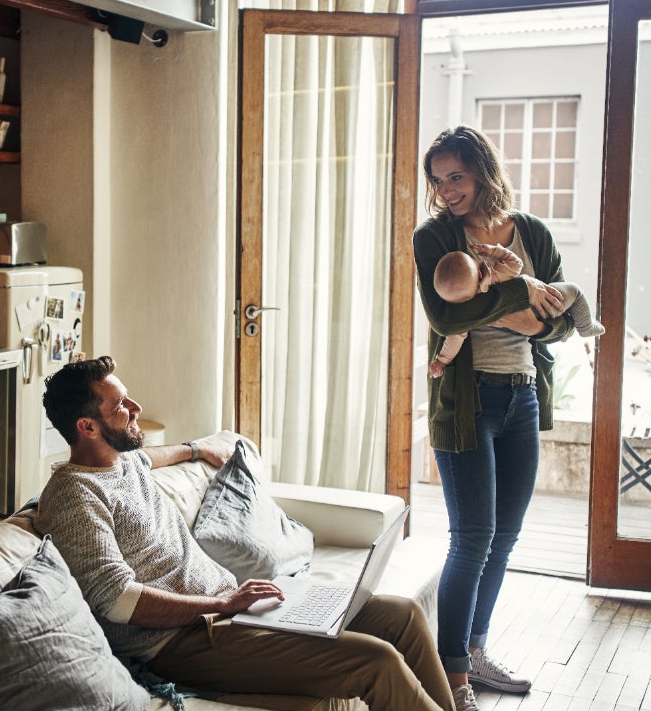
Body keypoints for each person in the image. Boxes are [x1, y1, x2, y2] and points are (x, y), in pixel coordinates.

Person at [35, 356, 455, 711]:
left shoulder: (122, 461)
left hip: (233, 609)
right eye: (120, 406)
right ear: (87, 428)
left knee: (402, 615)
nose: (136, 406)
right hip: (181, 642)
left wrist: (195, 449)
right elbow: (118, 601)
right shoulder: (75, 496)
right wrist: (221, 602)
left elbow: (149, 457)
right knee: (376, 660)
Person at [413, 126, 577, 711]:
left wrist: (518, 301)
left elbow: (561, 318)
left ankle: (475, 653)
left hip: (521, 395)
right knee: (472, 539)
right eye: (438, 181)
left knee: (504, 538)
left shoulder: (531, 232)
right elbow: (442, 312)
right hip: (466, 403)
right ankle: (451, 675)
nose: (447, 190)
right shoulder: (434, 237)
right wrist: (525, 293)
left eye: (455, 176)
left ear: (483, 170)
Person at [429, 242, 604, 378]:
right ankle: (586, 326)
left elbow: (456, 337)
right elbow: (516, 263)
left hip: (525, 329)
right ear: (480, 272)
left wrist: (442, 360)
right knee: (574, 291)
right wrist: (493, 252)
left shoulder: (466, 310)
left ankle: (582, 325)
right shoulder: (495, 274)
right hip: (543, 307)